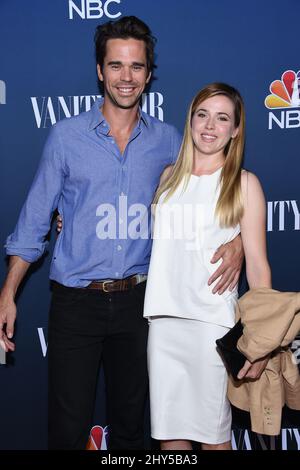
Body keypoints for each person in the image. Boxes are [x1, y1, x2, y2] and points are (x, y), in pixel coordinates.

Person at [0, 17, 243, 450]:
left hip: (140, 304)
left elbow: (220, 191)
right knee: (67, 429)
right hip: (76, 304)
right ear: (100, 71)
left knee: (132, 428)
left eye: (136, 67)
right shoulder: (66, 138)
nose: (125, 77)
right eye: (116, 66)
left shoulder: (171, 142)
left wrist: (240, 240)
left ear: (149, 74)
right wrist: (8, 293)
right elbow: (34, 221)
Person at [143, 83, 272, 450]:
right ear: (190, 121)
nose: (210, 126)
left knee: (214, 440)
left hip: (212, 329)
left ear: (235, 129)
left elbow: (259, 270)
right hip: (163, 323)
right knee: (170, 440)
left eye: (222, 118)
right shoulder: (168, 178)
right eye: (203, 115)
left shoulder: (245, 185)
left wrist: (259, 342)